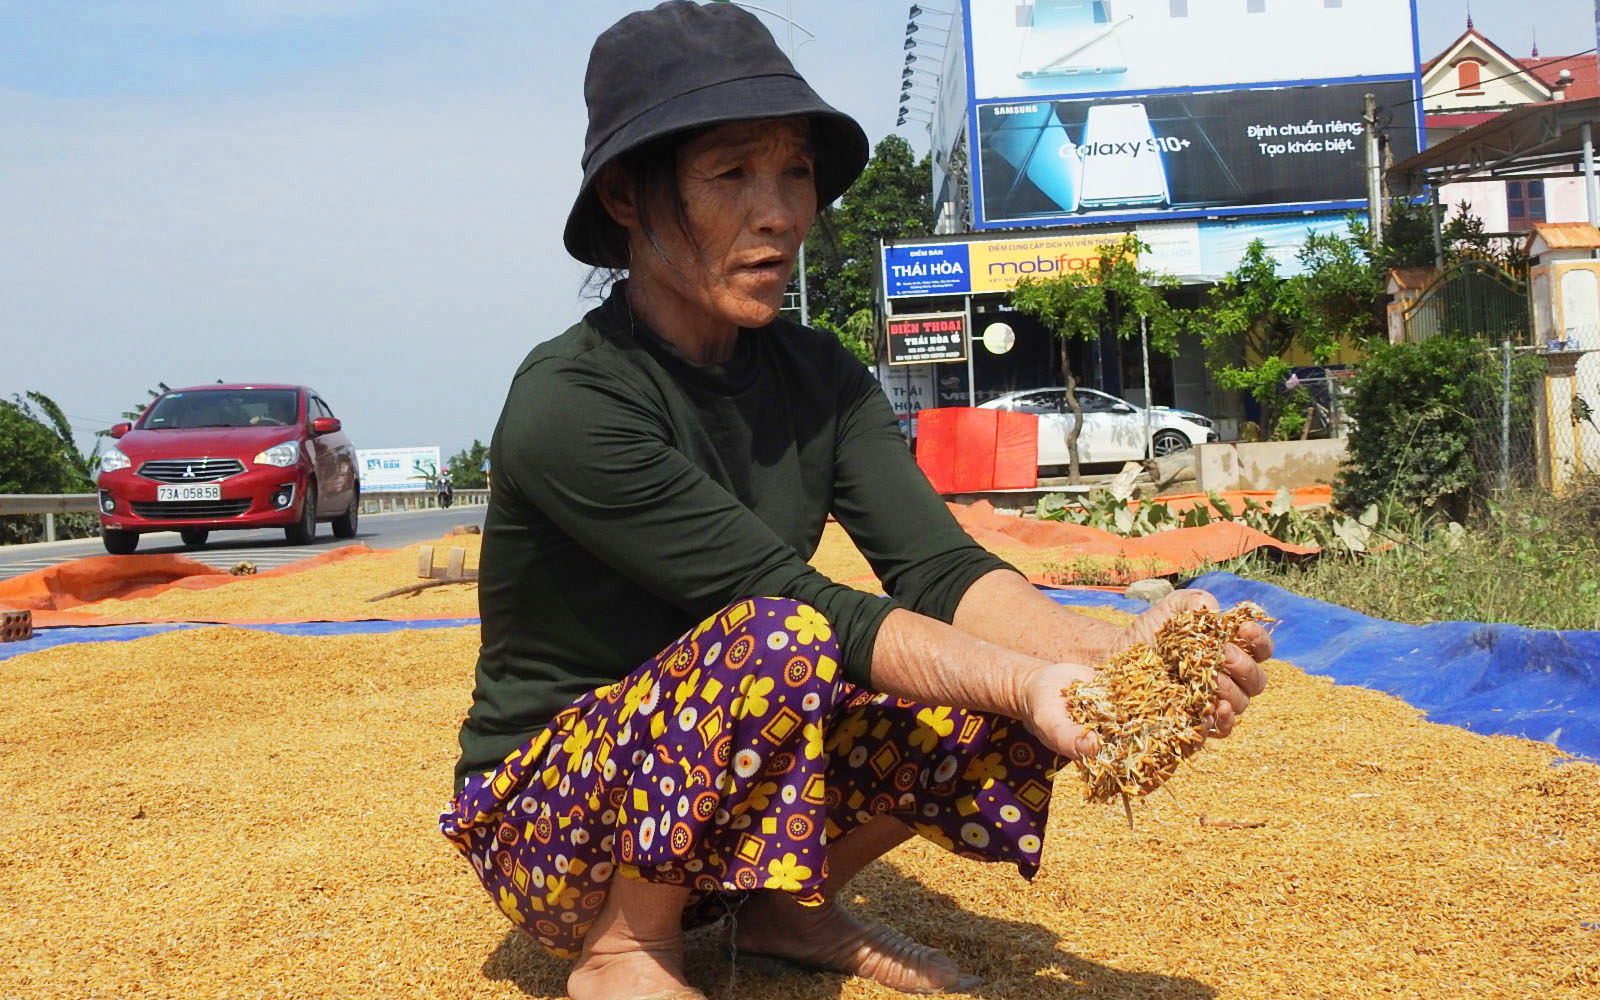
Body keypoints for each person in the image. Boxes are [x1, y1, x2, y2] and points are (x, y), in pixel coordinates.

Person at [438, 5, 1271, 1000]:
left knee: (981, 681)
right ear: (627, 195)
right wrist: (1024, 678)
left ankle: (785, 902)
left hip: (715, 811)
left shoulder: (819, 374)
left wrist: (1112, 658)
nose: (782, 210)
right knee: (784, 639)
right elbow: (798, 608)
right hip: (553, 825)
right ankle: (627, 947)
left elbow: (941, 568)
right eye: (732, 173)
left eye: (794, 172)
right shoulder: (573, 400)